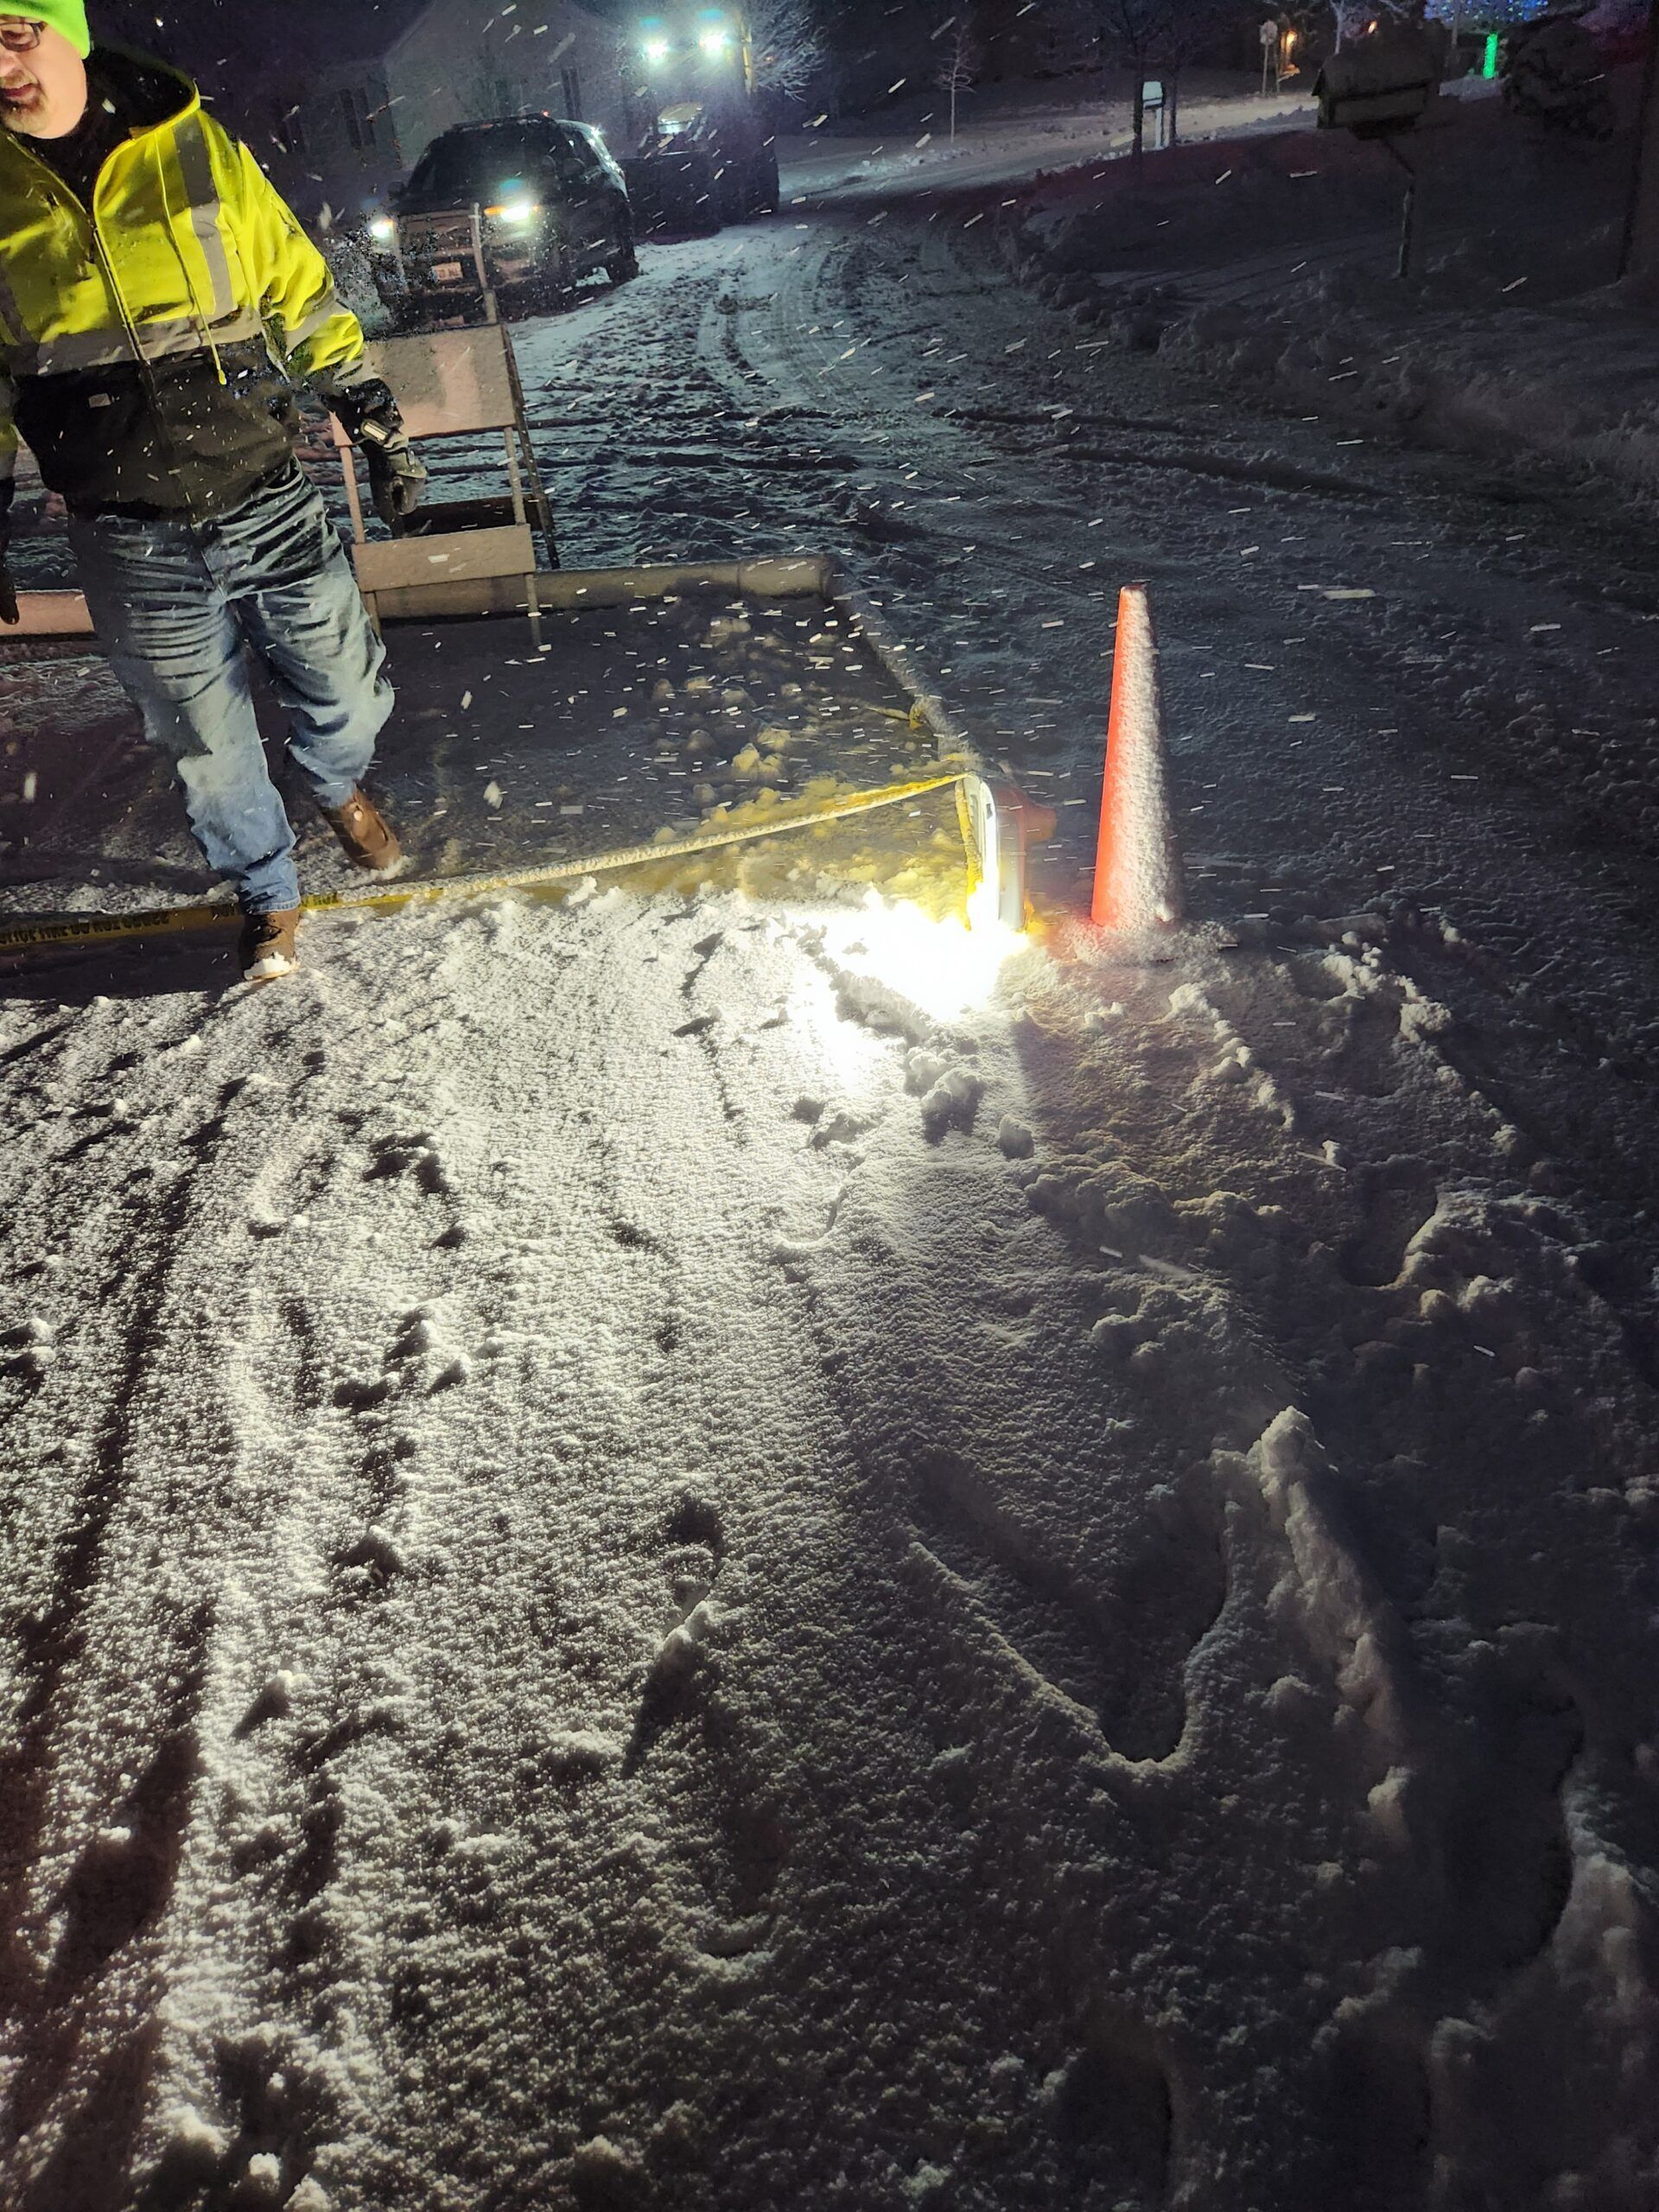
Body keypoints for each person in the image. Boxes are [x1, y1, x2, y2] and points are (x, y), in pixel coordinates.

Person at [0, 0, 427, 980]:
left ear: (66, 30)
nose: (2, 64)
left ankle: (333, 784)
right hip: (125, 532)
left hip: (265, 493)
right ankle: (267, 891)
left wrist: (370, 415)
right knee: (203, 741)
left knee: (351, 698)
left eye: (15, 32)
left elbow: (298, 288)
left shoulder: (195, 150)